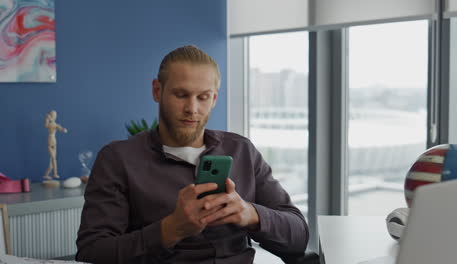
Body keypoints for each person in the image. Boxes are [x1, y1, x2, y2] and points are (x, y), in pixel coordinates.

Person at [76, 45, 309, 264]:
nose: (192, 109)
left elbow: (299, 236)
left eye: (203, 97)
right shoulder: (117, 159)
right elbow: (92, 252)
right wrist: (171, 229)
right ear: (157, 91)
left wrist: (250, 213)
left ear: (214, 98)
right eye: (181, 95)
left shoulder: (242, 150)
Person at [44, 110, 68, 180]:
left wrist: (64, 129)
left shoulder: (55, 124)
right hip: (50, 140)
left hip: (54, 141)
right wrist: (47, 119)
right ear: (51, 115)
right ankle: (55, 174)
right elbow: (46, 126)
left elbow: (61, 129)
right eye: (53, 115)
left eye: (55, 115)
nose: (54, 116)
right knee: (53, 159)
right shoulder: (50, 123)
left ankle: (47, 174)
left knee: (53, 160)